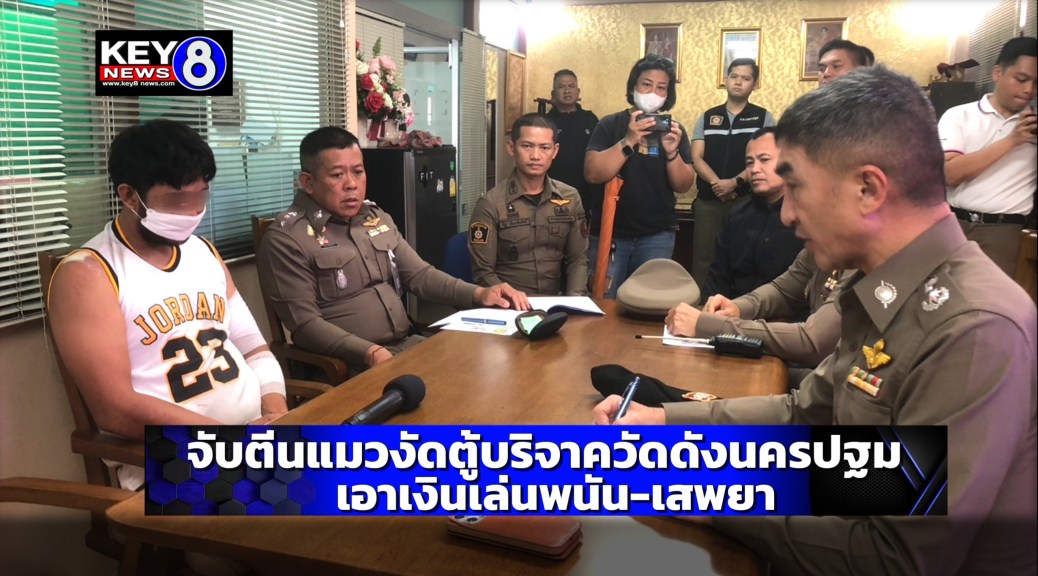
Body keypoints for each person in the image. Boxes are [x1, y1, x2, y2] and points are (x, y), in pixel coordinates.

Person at [595, 66, 1037, 575]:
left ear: (868, 189)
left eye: (797, 188)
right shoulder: (884, 283)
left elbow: (896, 556)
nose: (787, 215)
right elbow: (805, 412)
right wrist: (661, 421)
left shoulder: (974, 327)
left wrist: (703, 495)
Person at [47, 119, 289, 492]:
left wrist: (275, 412)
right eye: (177, 200)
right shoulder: (87, 274)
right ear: (129, 196)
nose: (193, 212)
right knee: (342, 503)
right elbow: (114, 410)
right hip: (177, 466)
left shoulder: (203, 251)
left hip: (255, 443)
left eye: (201, 196)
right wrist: (232, 444)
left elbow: (255, 348)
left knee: (371, 477)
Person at [257, 127, 529, 373]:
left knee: (494, 369)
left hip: (407, 346)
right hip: (350, 366)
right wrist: (370, 353)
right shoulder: (287, 238)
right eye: (337, 175)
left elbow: (420, 275)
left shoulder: (374, 218)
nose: (351, 184)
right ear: (308, 182)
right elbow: (305, 325)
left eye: (358, 172)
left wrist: (480, 294)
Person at [584, 54, 694, 298]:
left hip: (657, 234)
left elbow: (684, 184)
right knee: (603, 302)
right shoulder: (610, 124)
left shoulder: (673, 131)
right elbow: (592, 173)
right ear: (633, 86)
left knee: (649, 302)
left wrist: (672, 153)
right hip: (611, 233)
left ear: (668, 94)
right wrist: (628, 140)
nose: (653, 92)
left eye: (661, 88)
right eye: (646, 84)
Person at [938, 36, 1037, 275]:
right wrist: (1012, 140)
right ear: (997, 72)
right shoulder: (958, 116)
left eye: (1037, 83)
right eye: (1021, 79)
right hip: (953, 225)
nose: (1029, 90)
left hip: (1005, 234)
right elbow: (949, 174)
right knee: (938, 294)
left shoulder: (1034, 125)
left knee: (993, 298)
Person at [468, 113, 588, 296]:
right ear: (511, 148)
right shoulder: (491, 204)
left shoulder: (570, 198)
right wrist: (512, 300)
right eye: (527, 146)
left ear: (555, 151)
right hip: (506, 304)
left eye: (544, 148)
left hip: (553, 303)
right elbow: (483, 273)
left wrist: (575, 302)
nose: (535, 156)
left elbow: (578, 260)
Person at [667, 249, 846, 368]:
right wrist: (737, 308)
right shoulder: (820, 245)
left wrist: (708, 325)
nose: (787, 217)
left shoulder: (857, 261)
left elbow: (812, 342)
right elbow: (783, 291)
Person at [690, 58, 776, 285]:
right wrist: (718, 184)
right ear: (725, 79)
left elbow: (766, 158)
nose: (738, 82)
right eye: (734, 76)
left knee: (744, 257)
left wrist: (735, 182)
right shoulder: (708, 117)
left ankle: (739, 304)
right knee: (703, 258)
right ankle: (702, 304)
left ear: (755, 84)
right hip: (709, 201)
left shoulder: (763, 117)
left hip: (747, 200)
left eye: (746, 78)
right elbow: (696, 157)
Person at [700, 127, 802, 300]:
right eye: (749, 163)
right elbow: (718, 278)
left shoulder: (809, 217)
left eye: (764, 160)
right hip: (734, 311)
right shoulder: (737, 215)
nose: (754, 169)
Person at [545, 69, 601, 221]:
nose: (567, 91)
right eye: (561, 87)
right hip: (553, 192)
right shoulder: (545, 122)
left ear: (578, 91)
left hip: (586, 193)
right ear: (553, 93)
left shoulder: (590, 119)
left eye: (571, 86)